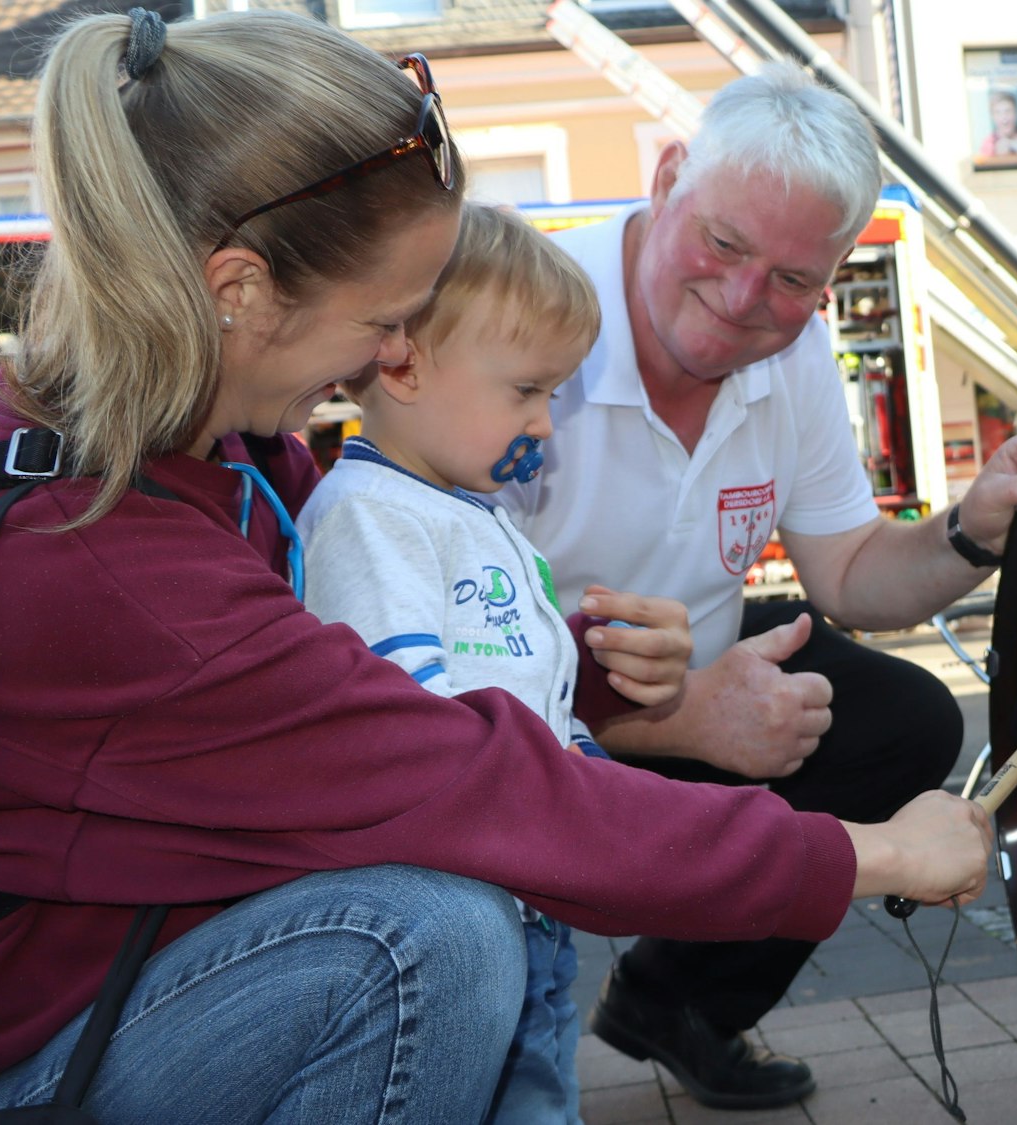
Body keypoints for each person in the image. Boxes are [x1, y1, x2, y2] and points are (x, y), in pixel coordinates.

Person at [0, 11, 992, 1119]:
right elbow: (469, 784)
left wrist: (583, 668)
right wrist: (864, 854)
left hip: (161, 969)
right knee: (428, 933)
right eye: (386, 322)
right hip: (46, 1056)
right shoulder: (98, 558)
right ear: (238, 290)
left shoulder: (220, 456)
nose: (393, 360)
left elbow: (383, 680)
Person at [502, 60, 1017, 1109]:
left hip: (695, 684)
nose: (745, 300)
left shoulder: (792, 355)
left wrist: (970, 532)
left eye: (796, 281)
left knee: (904, 719)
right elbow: (439, 661)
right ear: (667, 178)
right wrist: (677, 718)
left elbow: (847, 572)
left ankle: (674, 1001)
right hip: (511, 713)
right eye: (723, 243)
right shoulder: (524, 315)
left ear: (835, 272)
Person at [293, 202, 711, 1122]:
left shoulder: (476, 514)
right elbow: (416, 730)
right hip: (464, 910)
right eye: (528, 390)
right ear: (400, 362)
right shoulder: (374, 520)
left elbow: (530, 697)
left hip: (523, 899)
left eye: (555, 394)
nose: (546, 425)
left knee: (541, 1093)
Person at [977, 88, 1017, 162]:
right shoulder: (989, 146)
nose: (1004, 118)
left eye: (1008, 111)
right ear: (993, 117)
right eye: (998, 113)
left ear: (1016, 113)